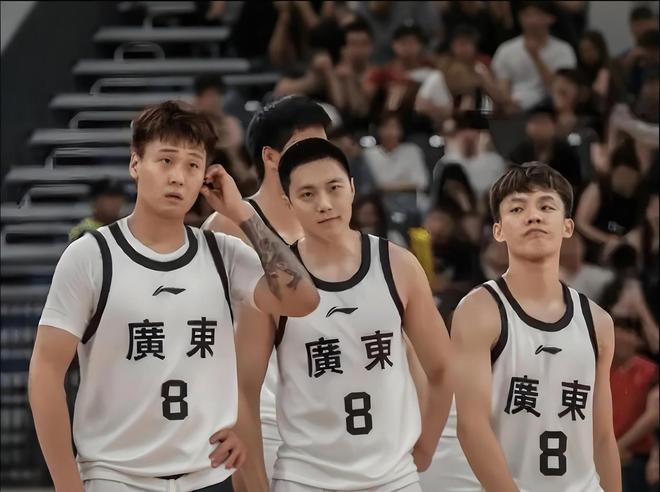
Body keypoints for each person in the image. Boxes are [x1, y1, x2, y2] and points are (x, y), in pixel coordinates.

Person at [28, 101, 320, 492]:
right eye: (165, 161)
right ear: (135, 164)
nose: (178, 177)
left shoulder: (223, 253)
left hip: (209, 475)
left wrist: (242, 213)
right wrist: (68, 486)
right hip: (117, 477)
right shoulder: (91, 256)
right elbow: (46, 373)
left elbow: (303, 300)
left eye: (192, 165)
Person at [233, 137, 453, 492]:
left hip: (393, 477)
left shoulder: (399, 265)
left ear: (352, 188)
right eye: (307, 194)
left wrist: (425, 447)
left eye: (333, 188)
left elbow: (442, 369)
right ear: (289, 203)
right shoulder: (274, 285)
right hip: (305, 478)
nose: (324, 204)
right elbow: (244, 392)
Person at [452, 163, 621, 491]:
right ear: (498, 231)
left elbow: (602, 436)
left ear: (568, 226)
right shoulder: (479, 311)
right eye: (517, 209)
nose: (533, 216)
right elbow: (471, 427)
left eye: (546, 206)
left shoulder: (598, 322)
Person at [492, 1, 577, 111]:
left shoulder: (564, 50)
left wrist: (536, 56)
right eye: (526, 15)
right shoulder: (505, 50)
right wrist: (508, 102)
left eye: (537, 14)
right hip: (516, 110)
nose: (531, 20)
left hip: (551, 109)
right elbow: (503, 88)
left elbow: (561, 90)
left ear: (550, 18)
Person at [509, 104, 583, 191]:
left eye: (543, 123)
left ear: (554, 125)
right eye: (535, 122)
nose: (539, 128)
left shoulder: (566, 153)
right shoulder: (519, 153)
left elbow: (574, 184)